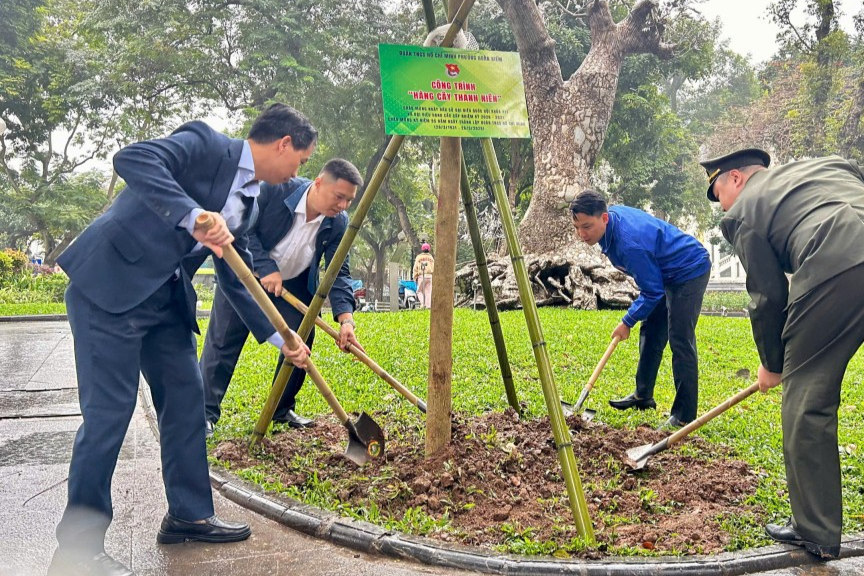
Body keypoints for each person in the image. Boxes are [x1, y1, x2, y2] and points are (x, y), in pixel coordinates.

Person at [49, 103, 315, 576]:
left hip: (166, 302)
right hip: (108, 288)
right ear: (283, 144)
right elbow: (132, 159)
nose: (298, 172)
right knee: (109, 415)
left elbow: (238, 278)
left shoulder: (249, 204)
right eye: (301, 160)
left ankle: (188, 516)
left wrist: (281, 337)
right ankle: (78, 550)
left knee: (187, 400)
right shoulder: (206, 145)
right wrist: (193, 216)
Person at [701, 147, 864, 560]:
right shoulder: (825, 164)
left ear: (736, 177)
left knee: (807, 398)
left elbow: (768, 295)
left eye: (718, 194)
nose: (722, 205)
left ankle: (815, 529)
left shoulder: (743, 213)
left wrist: (773, 364)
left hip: (836, 261)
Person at [200, 158, 363, 434]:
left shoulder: (338, 223)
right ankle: (203, 414)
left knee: (301, 338)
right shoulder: (274, 191)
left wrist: (346, 320)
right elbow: (242, 231)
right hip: (244, 277)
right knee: (222, 343)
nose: (343, 205)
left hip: (291, 287)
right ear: (319, 183)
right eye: (339, 197)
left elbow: (338, 271)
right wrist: (265, 267)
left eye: (349, 200)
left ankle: (282, 408)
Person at [569, 191, 711, 429]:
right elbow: (653, 286)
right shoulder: (610, 227)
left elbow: (652, 292)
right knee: (651, 331)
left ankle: (684, 416)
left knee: (680, 338)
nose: (581, 234)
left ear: (604, 218)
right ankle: (643, 396)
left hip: (689, 270)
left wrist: (627, 321)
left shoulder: (629, 243)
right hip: (663, 273)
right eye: (576, 227)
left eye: (587, 226)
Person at [412, 242, 434, 309]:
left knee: (419, 291)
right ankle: (428, 306)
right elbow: (434, 267)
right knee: (428, 292)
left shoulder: (419, 257)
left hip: (421, 276)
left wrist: (415, 277)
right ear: (429, 249)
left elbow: (415, 268)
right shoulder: (431, 258)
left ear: (422, 249)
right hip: (430, 276)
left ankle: (422, 303)